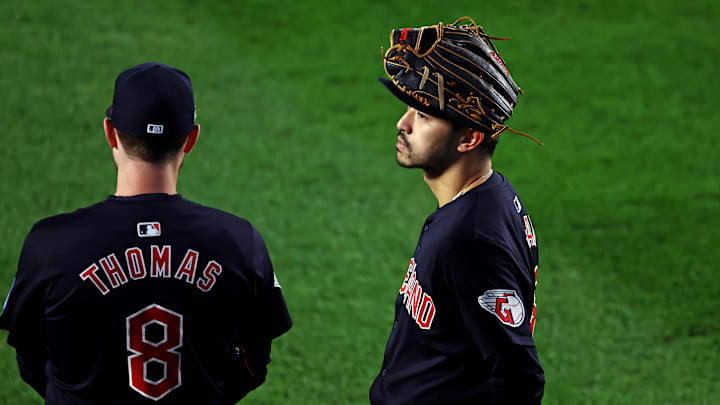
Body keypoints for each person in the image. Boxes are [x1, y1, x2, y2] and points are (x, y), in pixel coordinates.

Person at [0, 62, 292, 404]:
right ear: (191, 139)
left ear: (110, 131)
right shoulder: (240, 242)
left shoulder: (50, 243)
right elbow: (255, 361)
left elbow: (31, 357)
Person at [369, 17, 545, 404]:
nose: (403, 124)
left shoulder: (472, 239)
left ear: (469, 137)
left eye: (424, 115)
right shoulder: (483, 199)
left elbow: (520, 377)